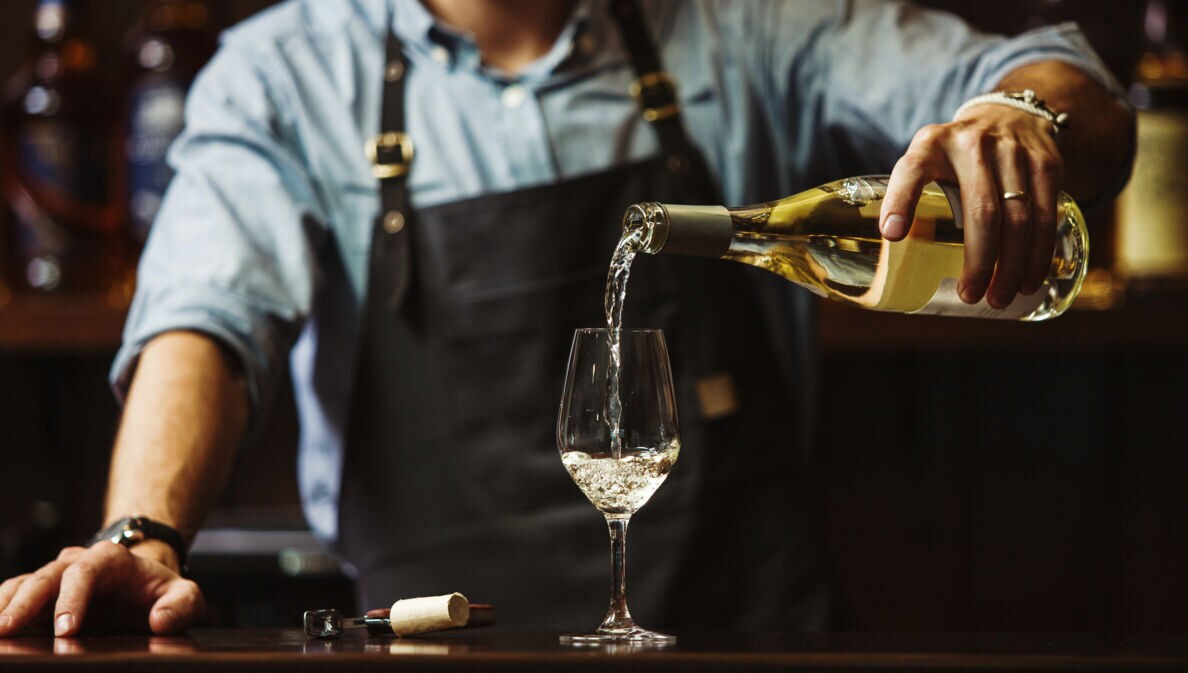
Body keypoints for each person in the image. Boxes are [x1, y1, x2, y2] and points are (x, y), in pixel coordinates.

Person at [0, 0, 1132, 637]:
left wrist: (1018, 116)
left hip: (756, 645)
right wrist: (137, 534)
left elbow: (1062, 82)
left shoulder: (748, 26)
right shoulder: (283, 73)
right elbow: (203, 316)